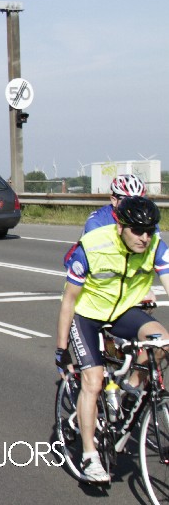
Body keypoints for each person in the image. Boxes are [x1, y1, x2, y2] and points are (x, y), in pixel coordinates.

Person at [56, 196, 169, 484]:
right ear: (120, 227)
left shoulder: (156, 245)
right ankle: (90, 455)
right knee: (93, 381)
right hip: (87, 315)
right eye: (137, 231)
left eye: (149, 231)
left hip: (123, 311)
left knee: (163, 343)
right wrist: (61, 349)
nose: (144, 238)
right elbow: (69, 301)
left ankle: (131, 390)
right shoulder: (93, 246)